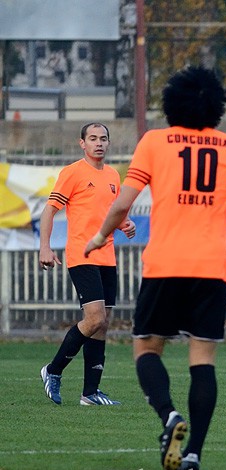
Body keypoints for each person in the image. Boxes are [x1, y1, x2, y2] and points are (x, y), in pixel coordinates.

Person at [84, 66, 226, 470]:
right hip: (211, 269)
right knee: (202, 360)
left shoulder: (155, 142)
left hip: (165, 264)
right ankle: (194, 453)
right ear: (216, 105)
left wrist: (99, 239)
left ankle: (169, 416)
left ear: (171, 103)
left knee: (147, 348)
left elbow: (121, 205)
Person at [39, 122, 136, 406]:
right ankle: (53, 370)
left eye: (103, 138)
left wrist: (124, 224)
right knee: (95, 319)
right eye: (92, 138)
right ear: (82, 143)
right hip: (82, 255)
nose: (99, 143)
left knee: (102, 325)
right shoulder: (72, 173)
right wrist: (45, 246)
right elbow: (49, 211)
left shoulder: (112, 176)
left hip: (107, 256)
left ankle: (90, 393)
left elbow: (111, 214)